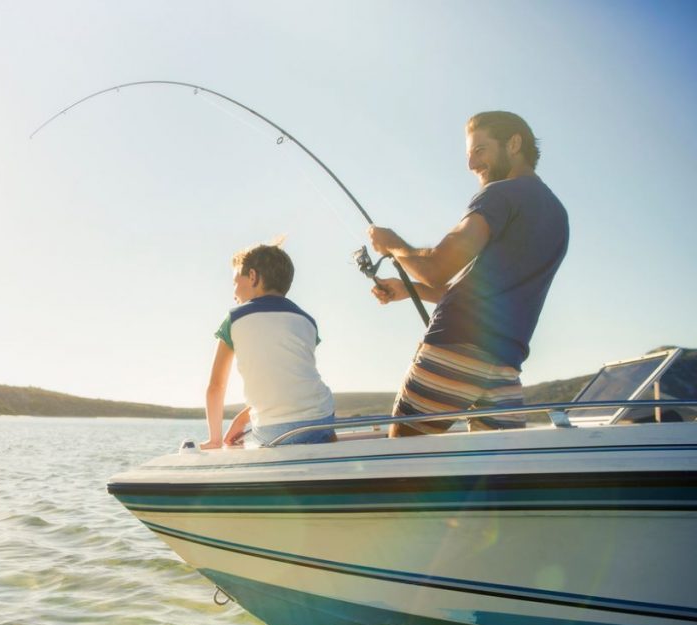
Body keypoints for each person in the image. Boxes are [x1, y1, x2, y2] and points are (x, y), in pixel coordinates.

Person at [368, 111, 569, 437]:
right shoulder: (558, 215)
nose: (471, 165)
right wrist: (409, 290)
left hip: (455, 347)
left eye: (480, 150)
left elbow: (436, 268)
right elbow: (489, 291)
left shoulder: (500, 195)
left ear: (514, 144)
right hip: (504, 366)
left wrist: (392, 244)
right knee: (493, 477)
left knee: (404, 462)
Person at [200, 243, 336, 449]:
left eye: (235, 282)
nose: (234, 293)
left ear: (253, 277)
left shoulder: (235, 318)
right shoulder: (307, 320)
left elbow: (216, 387)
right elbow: (290, 382)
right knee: (320, 426)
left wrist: (215, 439)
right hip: (323, 420)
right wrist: (242, 418)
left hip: (274, 430)